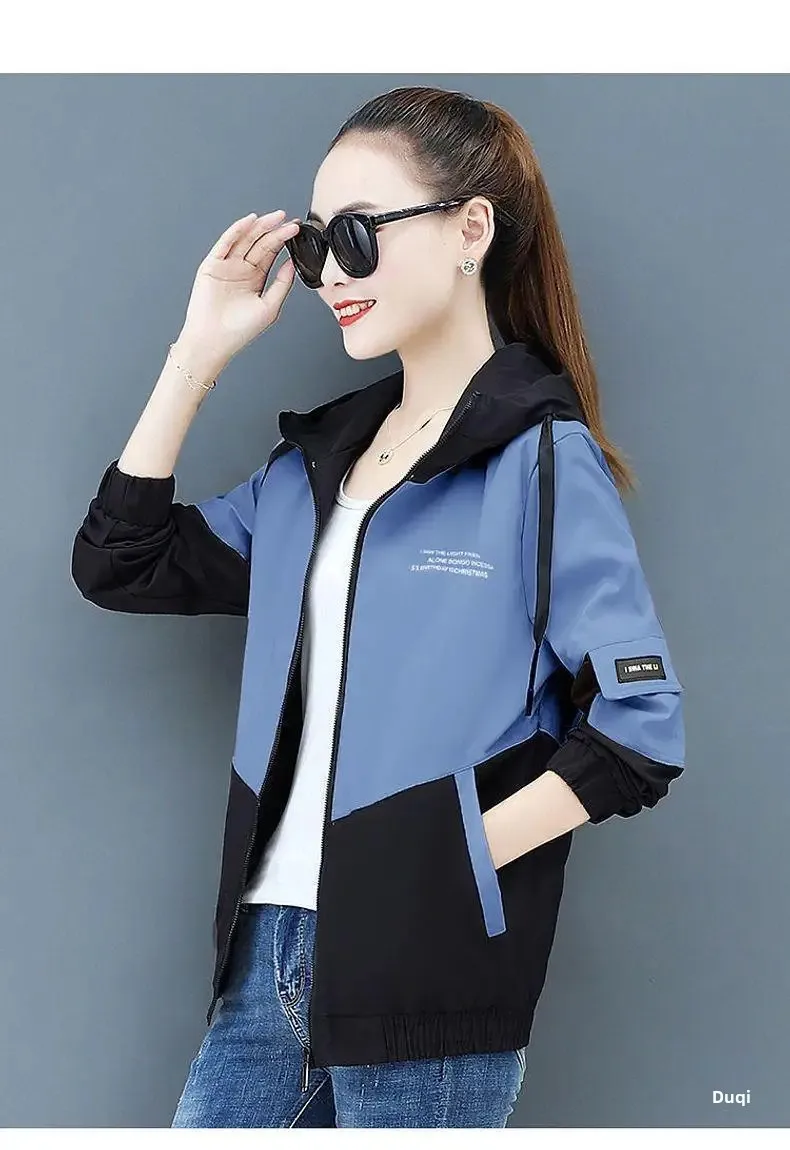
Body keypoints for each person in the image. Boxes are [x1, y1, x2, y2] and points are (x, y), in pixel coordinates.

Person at [71, 85, 686, 1128]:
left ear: (470, 230)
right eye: (316, 246)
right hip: (264, 951)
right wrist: (197, 354)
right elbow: (119, 564)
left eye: (357, 235)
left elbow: (641, 728)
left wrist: (448, 863)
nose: (328, 276)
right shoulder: (309, 472)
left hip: (426, 970)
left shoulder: (539, 461)